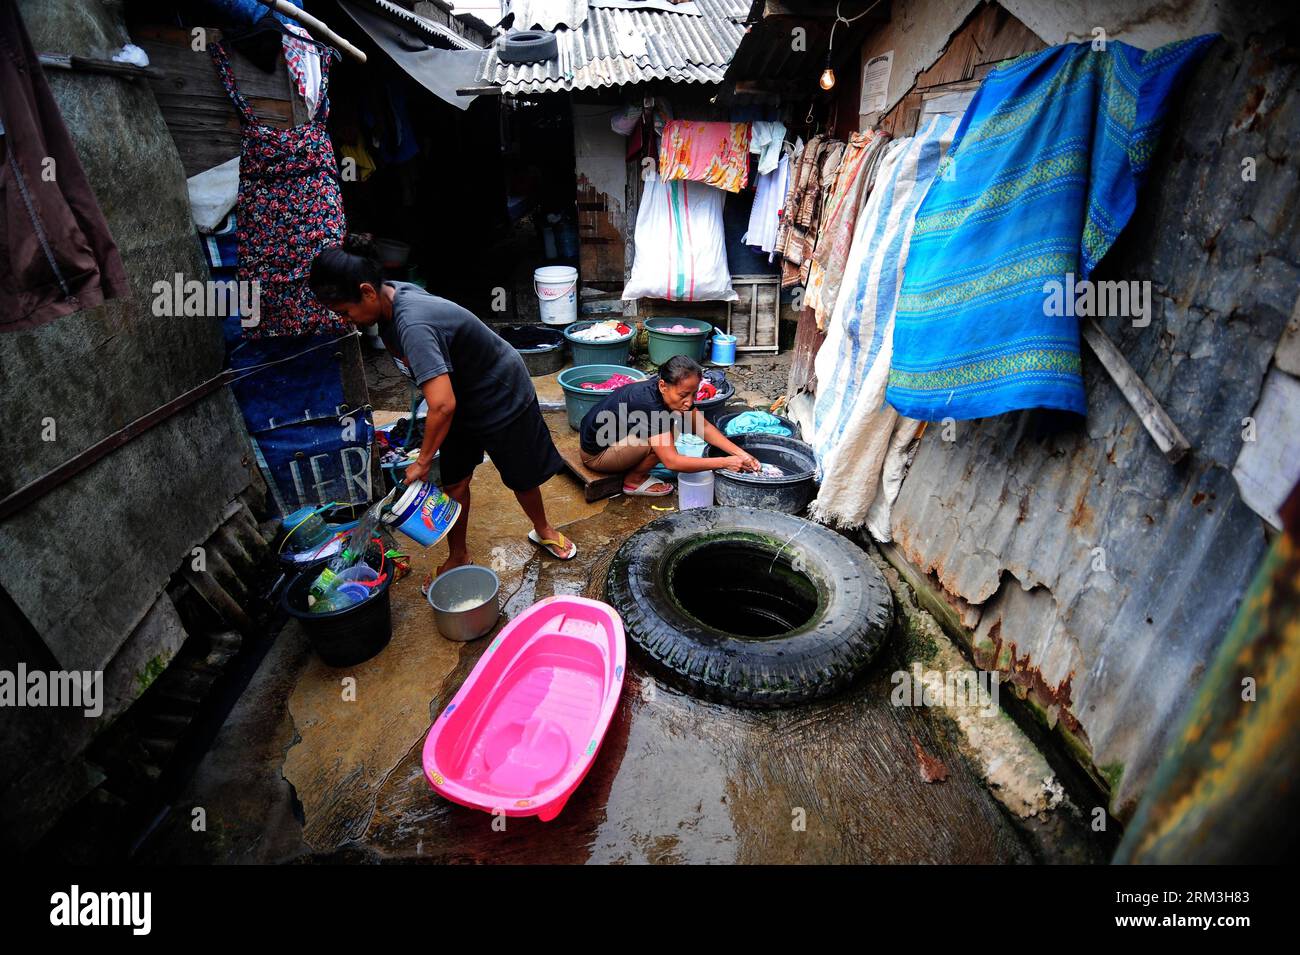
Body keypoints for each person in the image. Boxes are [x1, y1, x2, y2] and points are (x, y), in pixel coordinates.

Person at [308, 235, 576, 574]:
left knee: (520, 475)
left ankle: (543, 529)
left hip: (499, 391)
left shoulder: (413, 324)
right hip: (459, 395)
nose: (347, 320)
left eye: (345, 312)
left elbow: (442, 405)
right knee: (455, 482)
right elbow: (444, 399)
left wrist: (421, 462)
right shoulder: (389, 297)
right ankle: (458, 554)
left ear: (367, 292)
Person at [579, 355, 760, 496]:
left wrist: (740, 453)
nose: (689, 402)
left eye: (693, 394)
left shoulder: (662, 391)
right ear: (663, 385)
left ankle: (635, 466)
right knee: (665, 438)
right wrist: (724, 462)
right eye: (683, 395)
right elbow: (671, 462)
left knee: (674, 425)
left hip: (613, 440)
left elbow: (702, 427)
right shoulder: (648, 403)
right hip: (596, 456)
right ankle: (634, 481)